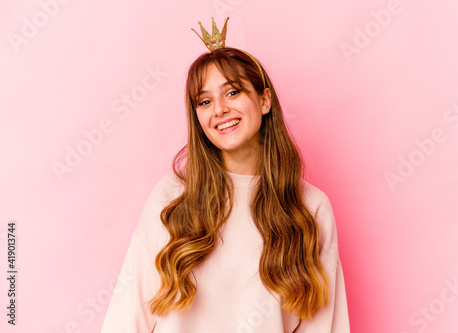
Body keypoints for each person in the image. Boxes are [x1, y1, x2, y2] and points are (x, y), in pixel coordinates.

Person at [102, 17, 350, 333]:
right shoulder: (171, 198)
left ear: (264, 100)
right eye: (204, 101)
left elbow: (323, 323)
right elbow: (128, 315)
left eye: (232, 93)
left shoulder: (311, 207)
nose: (218, 109)